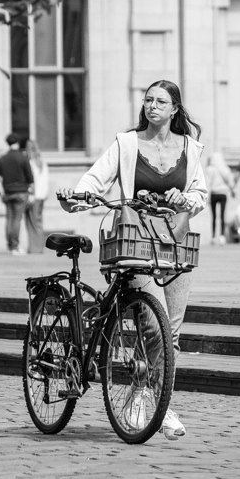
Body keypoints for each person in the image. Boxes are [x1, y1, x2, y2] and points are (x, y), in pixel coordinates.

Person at [57, 79, 207, 441]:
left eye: (160, 101)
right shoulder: (126, 143)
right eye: (148, 100)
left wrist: (183, 198)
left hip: (174, 242)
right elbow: (96, 179)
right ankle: (156, 400)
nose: (152, 106)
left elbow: (199, 194)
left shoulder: (190, 148)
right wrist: (75, 196)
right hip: (134, 241)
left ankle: (150, 395)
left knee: (170, 333)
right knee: (151, 326)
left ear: (174, 109)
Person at [0, 133, 34, 255]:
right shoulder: (23, 157)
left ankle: (10, 245)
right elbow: (30, 177)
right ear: (18, 143)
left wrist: (1, 192)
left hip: (7, 192)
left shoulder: (2, 158)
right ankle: (15, 246)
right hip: (21, 192)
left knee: (9, 219)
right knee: (17, 219)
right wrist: (31, 192)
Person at [23, 137, 49, 254]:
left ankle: (34, 248)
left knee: (31, 223)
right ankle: (38, 247)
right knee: (38, 222)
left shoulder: (30, 163)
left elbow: (31, 181)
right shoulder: (42, 162)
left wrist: (30, 194)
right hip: (42, 196)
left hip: (33, 196)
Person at [205, 151, 236, 245]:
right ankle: (222, 236)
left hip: (214, 193)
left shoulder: (210, 169)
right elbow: (230, 181)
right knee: (222, 215)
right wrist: (232, 190)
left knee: (214, 216)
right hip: (223, 193)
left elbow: (207, 182)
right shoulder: (225, 169)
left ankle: (214, 237)